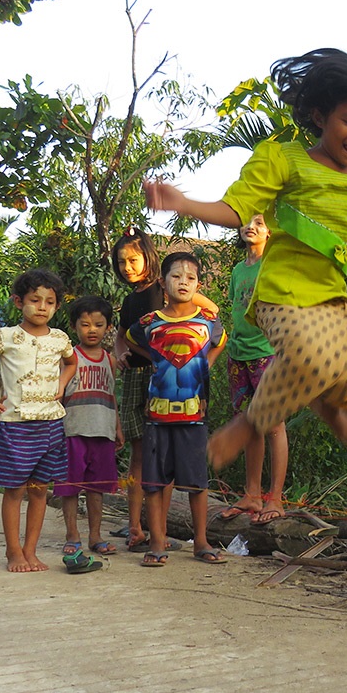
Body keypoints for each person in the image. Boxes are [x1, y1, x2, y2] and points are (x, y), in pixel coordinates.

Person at [144, 48, 347, 475]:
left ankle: (326, 400)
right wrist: (185, 203)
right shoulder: (286, 159)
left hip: (330, 301)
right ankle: (250, 423)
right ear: (321, 116)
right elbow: (237, 209)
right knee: (312, 351)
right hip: (281, 297)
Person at [111, 227, 216, 551]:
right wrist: (123, 355)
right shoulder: (131, 301)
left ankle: (160, 531)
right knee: (142, 456)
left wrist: (200, 361)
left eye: (133, 259)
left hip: (180, 386)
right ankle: (136, 528)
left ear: (148, 256)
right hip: (141, 382)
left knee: (168, 460)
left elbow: (209, 313)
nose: (127, 267)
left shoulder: (167, 287)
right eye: (121, 262)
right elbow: (122, 336)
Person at [0, 269, 77, 572]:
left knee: (40, 489)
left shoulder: (60, 339)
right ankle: (13, 552)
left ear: (57, 306)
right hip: (16, 425)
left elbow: (72, 361)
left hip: (51, 424)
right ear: (18, 301)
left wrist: (63, 383)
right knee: (15, 491)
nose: (42, 307)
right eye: (35, 300)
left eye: (50, 302)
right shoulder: (6, 337)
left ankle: (31, 550)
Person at [126, 251, 228, 567]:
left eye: (190, 278)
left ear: (198, 284)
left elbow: (221, 341)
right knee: (155, 482)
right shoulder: (149, 323)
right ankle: (156, 542)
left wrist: (205, 365)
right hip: (157, 415)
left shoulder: (208, 321)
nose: (183, 282)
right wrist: (156, 359)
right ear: (162, 281)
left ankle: (201, 541)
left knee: (197, 481)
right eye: (176, 276)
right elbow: (129, 339)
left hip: (195, 414)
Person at [220, 214, 290, 525]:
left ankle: (275, 497)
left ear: (271, 230)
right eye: (248, 221)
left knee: (273, 425)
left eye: (260, 222)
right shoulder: (238, 270)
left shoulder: (276, 264)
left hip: (268, 354)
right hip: (239, 353)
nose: (252, 226)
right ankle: (252, 494)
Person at [54, 295, 124, 563]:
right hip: (73, 431)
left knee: (97, 488)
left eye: (98, 324)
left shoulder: (110, 360)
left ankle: (95, 536)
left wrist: (117, 426)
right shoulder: (68, 358)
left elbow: (111, 394)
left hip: (103, 431)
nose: (92, 330)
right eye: (85, 324)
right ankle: (72, 535)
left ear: (108, 327)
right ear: (75, 327)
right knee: (69, 487)